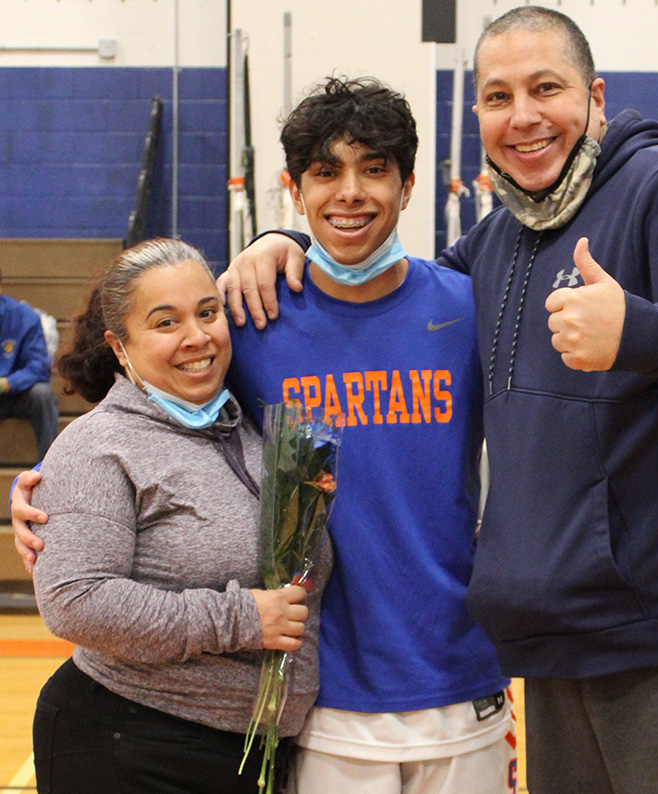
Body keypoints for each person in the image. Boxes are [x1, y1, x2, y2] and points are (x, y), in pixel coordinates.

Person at [215, 8, 658, 794]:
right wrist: (279, 243)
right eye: (497, 96)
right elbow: (387, 291)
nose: (522, 116)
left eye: (545, 88)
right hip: (559, 646)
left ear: (594, 97)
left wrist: (642, 331)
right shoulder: (499, 243)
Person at [13, 80, 515, 794]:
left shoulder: (468, 310)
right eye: (326, 171)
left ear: (408, 187)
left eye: (375, 168)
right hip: (319, 698)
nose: (351, 192)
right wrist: (40, 491)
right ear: (293, 188)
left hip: (461, 680)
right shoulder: (246, 321)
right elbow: (138, 419)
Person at [27, 238, 330, 794]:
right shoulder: (98, 446)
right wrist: (241, 619)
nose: (198, 337)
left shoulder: (252, 430)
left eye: (208, 312)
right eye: (166, 323)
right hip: (128, 743)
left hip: (248, 752)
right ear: (120, 347)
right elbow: (75, 604)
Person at [0, 266, 60, 459]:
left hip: (17, 394)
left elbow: (39, 367)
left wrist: (8, 383)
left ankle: (51, 465)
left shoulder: (25, 317)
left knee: (42, 393)